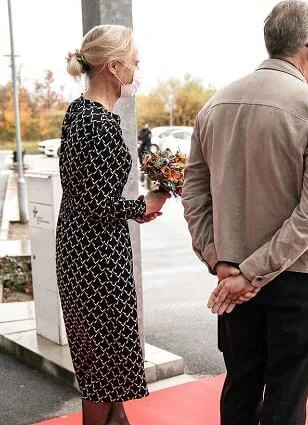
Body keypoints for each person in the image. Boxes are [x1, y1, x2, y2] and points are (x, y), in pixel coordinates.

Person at [182, 1, 308, 424]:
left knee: (241, 383)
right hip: (298, 276)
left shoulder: (216, 104)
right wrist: (249, 273)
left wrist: (221, 262)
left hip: (231, 273)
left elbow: (193, 195)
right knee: (286, 395)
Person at [58, 25, 168, 425]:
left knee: (99, 362)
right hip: (97, 259)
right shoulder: (97, 122)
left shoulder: (79, 111)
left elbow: (83, 193)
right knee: (103, 366)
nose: (137, 71)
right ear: (113, 66)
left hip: (81, 250)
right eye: (134, 63)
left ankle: (116, 420)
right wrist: (147, 203)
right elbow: (96, 201)